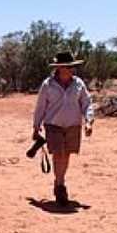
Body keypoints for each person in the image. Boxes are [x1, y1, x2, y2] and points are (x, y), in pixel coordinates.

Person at [32, 51, 94, 206]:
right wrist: (36, 125)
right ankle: (60, 186)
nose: (66, 69)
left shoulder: (78, 84)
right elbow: (40, 106)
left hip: (73, 124)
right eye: (63, 66)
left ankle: (59, 181)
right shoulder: (48, 84)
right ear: (58, 67)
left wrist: (89, 121)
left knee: (66, 155)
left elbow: (86, 103)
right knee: (58, 154)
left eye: (69, 66)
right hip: (53, 124)